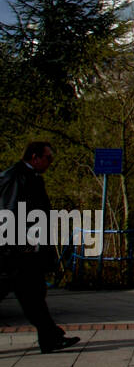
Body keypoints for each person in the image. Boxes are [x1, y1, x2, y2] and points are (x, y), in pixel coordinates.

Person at [0, 142, 80, 354]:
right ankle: (51, 337)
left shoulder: (28, 176)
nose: (50, 163)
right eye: (48, 158)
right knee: (32, 297)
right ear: (34, 157)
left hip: (23, 252)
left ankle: (51, 338)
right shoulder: (17, 177)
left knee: (33, 297)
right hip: (16, 253)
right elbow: (9, 213)